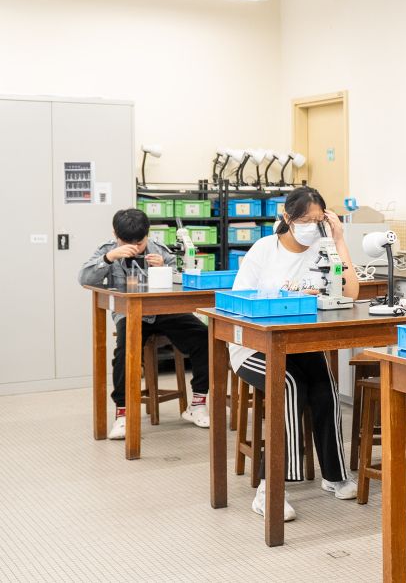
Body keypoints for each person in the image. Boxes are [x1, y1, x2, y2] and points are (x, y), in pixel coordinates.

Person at [230, 186, 361, 521]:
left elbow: (350, 292)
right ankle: (270, 489)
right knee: (289, 386)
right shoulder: (264, 249)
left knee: (325, 388)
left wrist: (339, 240)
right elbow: (239, 301)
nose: (311, 228)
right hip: (254, 347)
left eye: (318, 221)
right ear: (287, 217)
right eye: (305, 221)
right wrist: (288, 297)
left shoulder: (323, 249)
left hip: (298, 345)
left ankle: (334, 475)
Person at [78, 208, 211, 440]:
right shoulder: (107, 250)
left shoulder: (159, 249)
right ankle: (123, 414)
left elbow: (183, 280)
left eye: (139, 243)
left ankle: (197, 404)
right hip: (130, 315)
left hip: (164, 312)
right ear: (115, 235)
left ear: (148, 235)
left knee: (204, 337)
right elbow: (84, 278)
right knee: (124, 353)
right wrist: (109, 258)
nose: (134, 248)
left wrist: (165, 269)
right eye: (126, 243)